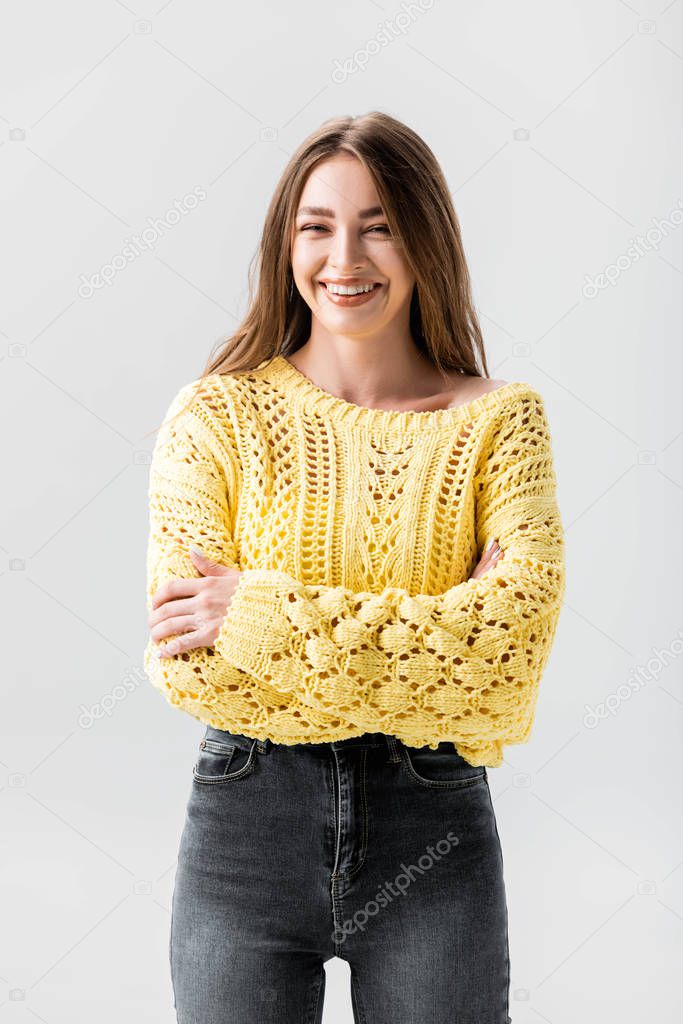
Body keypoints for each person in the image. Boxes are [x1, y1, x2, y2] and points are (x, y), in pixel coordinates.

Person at [144, 111, 566, 1023]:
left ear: (424, 237)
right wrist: (437, 643)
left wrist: (254, 613)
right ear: (284, 244)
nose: (346, 257)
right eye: (317, 225)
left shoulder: (498, 424)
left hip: (434, 834)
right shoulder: (214, 418)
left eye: (379, 224)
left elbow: (508, 657)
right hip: (244, 831)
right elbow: (190, 666)